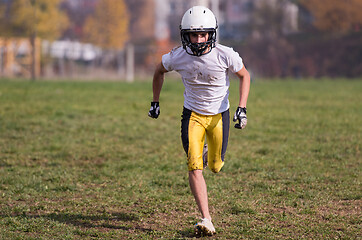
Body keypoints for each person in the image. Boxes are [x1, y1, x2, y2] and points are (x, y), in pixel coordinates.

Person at [148, 6, 250, 236]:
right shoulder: (177, 56)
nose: (198, 39)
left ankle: (209, 155)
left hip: (219, 116)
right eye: (193, 34)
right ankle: (206, 219)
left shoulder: (225, 54)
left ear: (211, 34)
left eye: (203, 34)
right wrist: (155, 101)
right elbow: (158, 71)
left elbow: (244, 75)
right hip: (192, 115)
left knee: (215, 166)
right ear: (185, 35)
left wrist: (242, 108)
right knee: (194, 166)